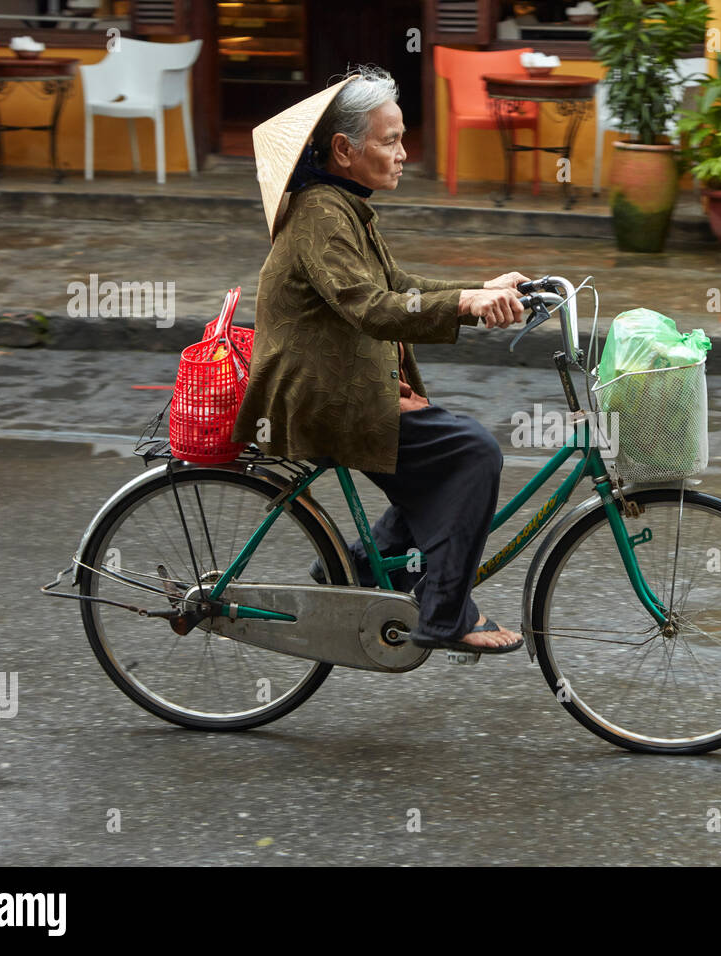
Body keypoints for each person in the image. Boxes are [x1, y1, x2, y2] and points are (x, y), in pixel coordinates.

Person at [232, 66, 527, 653]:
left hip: (337, 383)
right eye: (389, 141)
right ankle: (445, 617)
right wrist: (469, 302)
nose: (402, 154)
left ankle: (367, 563)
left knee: (436, 449)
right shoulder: (322, 214)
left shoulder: (343, 206)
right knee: (471, 453)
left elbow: (400, 284)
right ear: (343, 149)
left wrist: (479, 288)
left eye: (401, 138)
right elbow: (370, 306)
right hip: (318, 395)